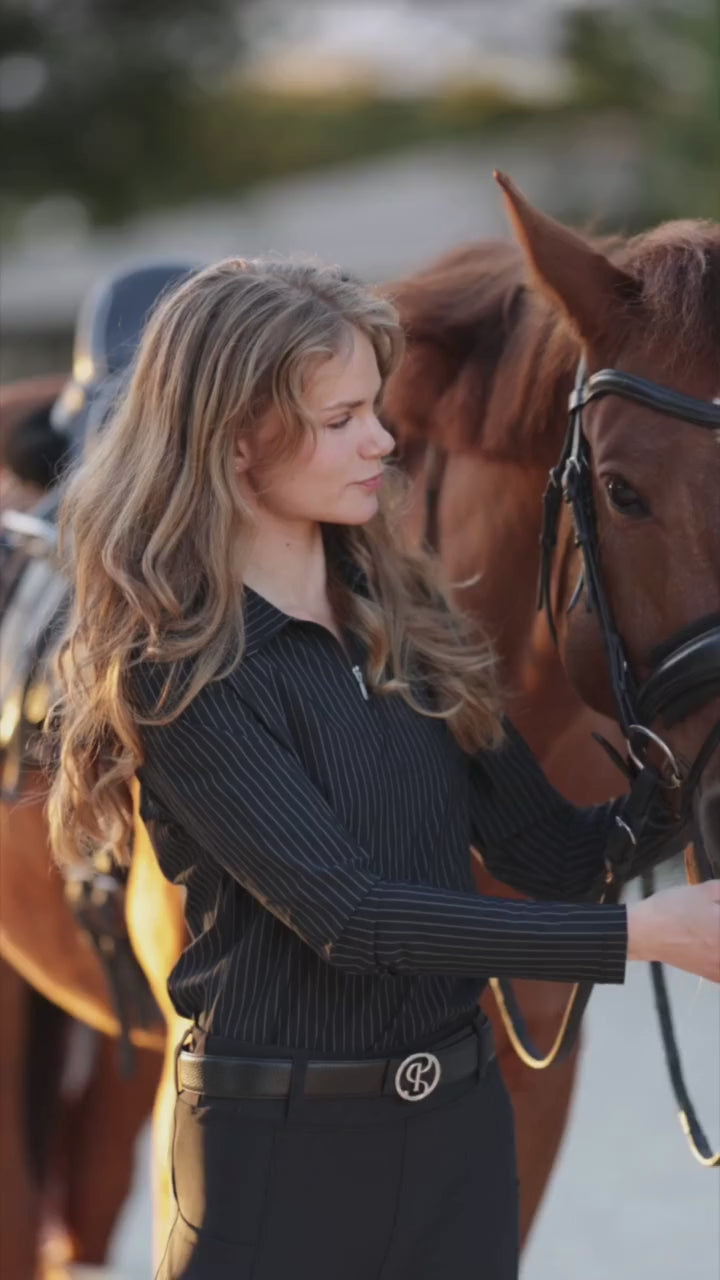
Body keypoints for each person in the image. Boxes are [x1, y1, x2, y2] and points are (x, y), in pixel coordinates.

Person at [46, 258, 720, 1280]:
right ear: (237, 440)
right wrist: (647, 931)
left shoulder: (406, 620)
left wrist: (685, 772)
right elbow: (355, 918)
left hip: (460, 1137)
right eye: (343, 417)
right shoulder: (179, 670)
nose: (384, 438)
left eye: (377, 406)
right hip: (277, 1158)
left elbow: (548, 850)